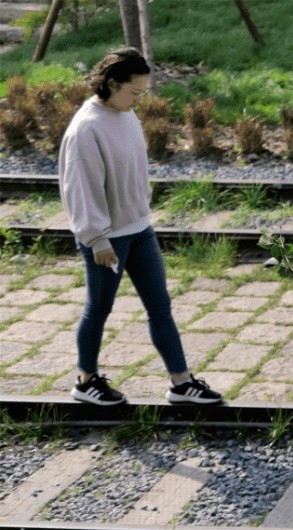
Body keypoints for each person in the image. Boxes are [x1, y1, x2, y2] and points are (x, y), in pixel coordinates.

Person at [59, 47, 222, 406]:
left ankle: (181, 384)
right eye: (134, 92)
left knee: (160, 305)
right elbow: (80, 189)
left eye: (143, 93)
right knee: (98, 310)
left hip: (138, 229)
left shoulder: (126, 114)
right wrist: (97, 238)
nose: (139, 100)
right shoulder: (86, 129)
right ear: (111, 84)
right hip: (106, 239)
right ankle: (85, 380)